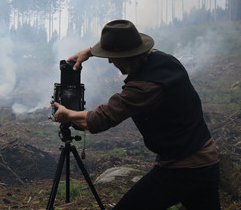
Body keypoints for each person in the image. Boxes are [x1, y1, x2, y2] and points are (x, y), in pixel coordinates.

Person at [53, 20, 220, 210]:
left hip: (183, 168)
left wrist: (68, 115)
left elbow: (100, 119)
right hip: (206, 160)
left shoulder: (144, 87)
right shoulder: (163, 59)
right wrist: (90, 51)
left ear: (127, 57)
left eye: (113, 56)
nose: (109, 61)